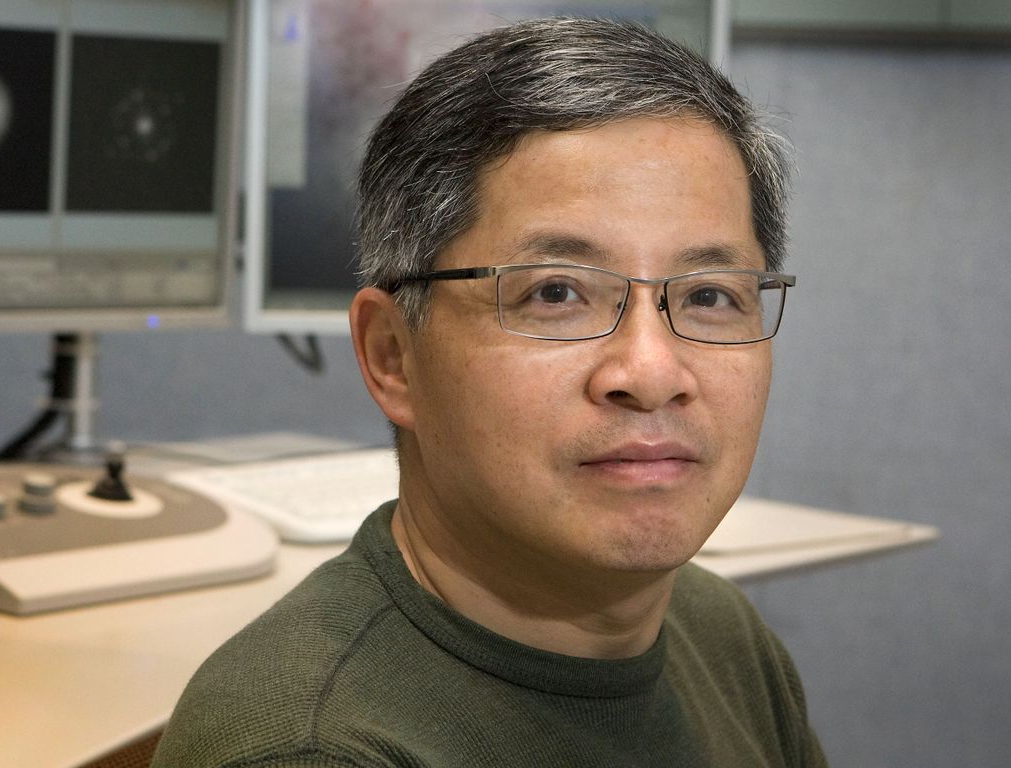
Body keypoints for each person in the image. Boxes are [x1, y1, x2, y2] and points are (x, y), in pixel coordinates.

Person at [152, 17, 826, 768]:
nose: (651, 373)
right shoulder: (315, 750)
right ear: (392, 357)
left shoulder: (719, 633)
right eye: (557, 292)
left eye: (708, 295)